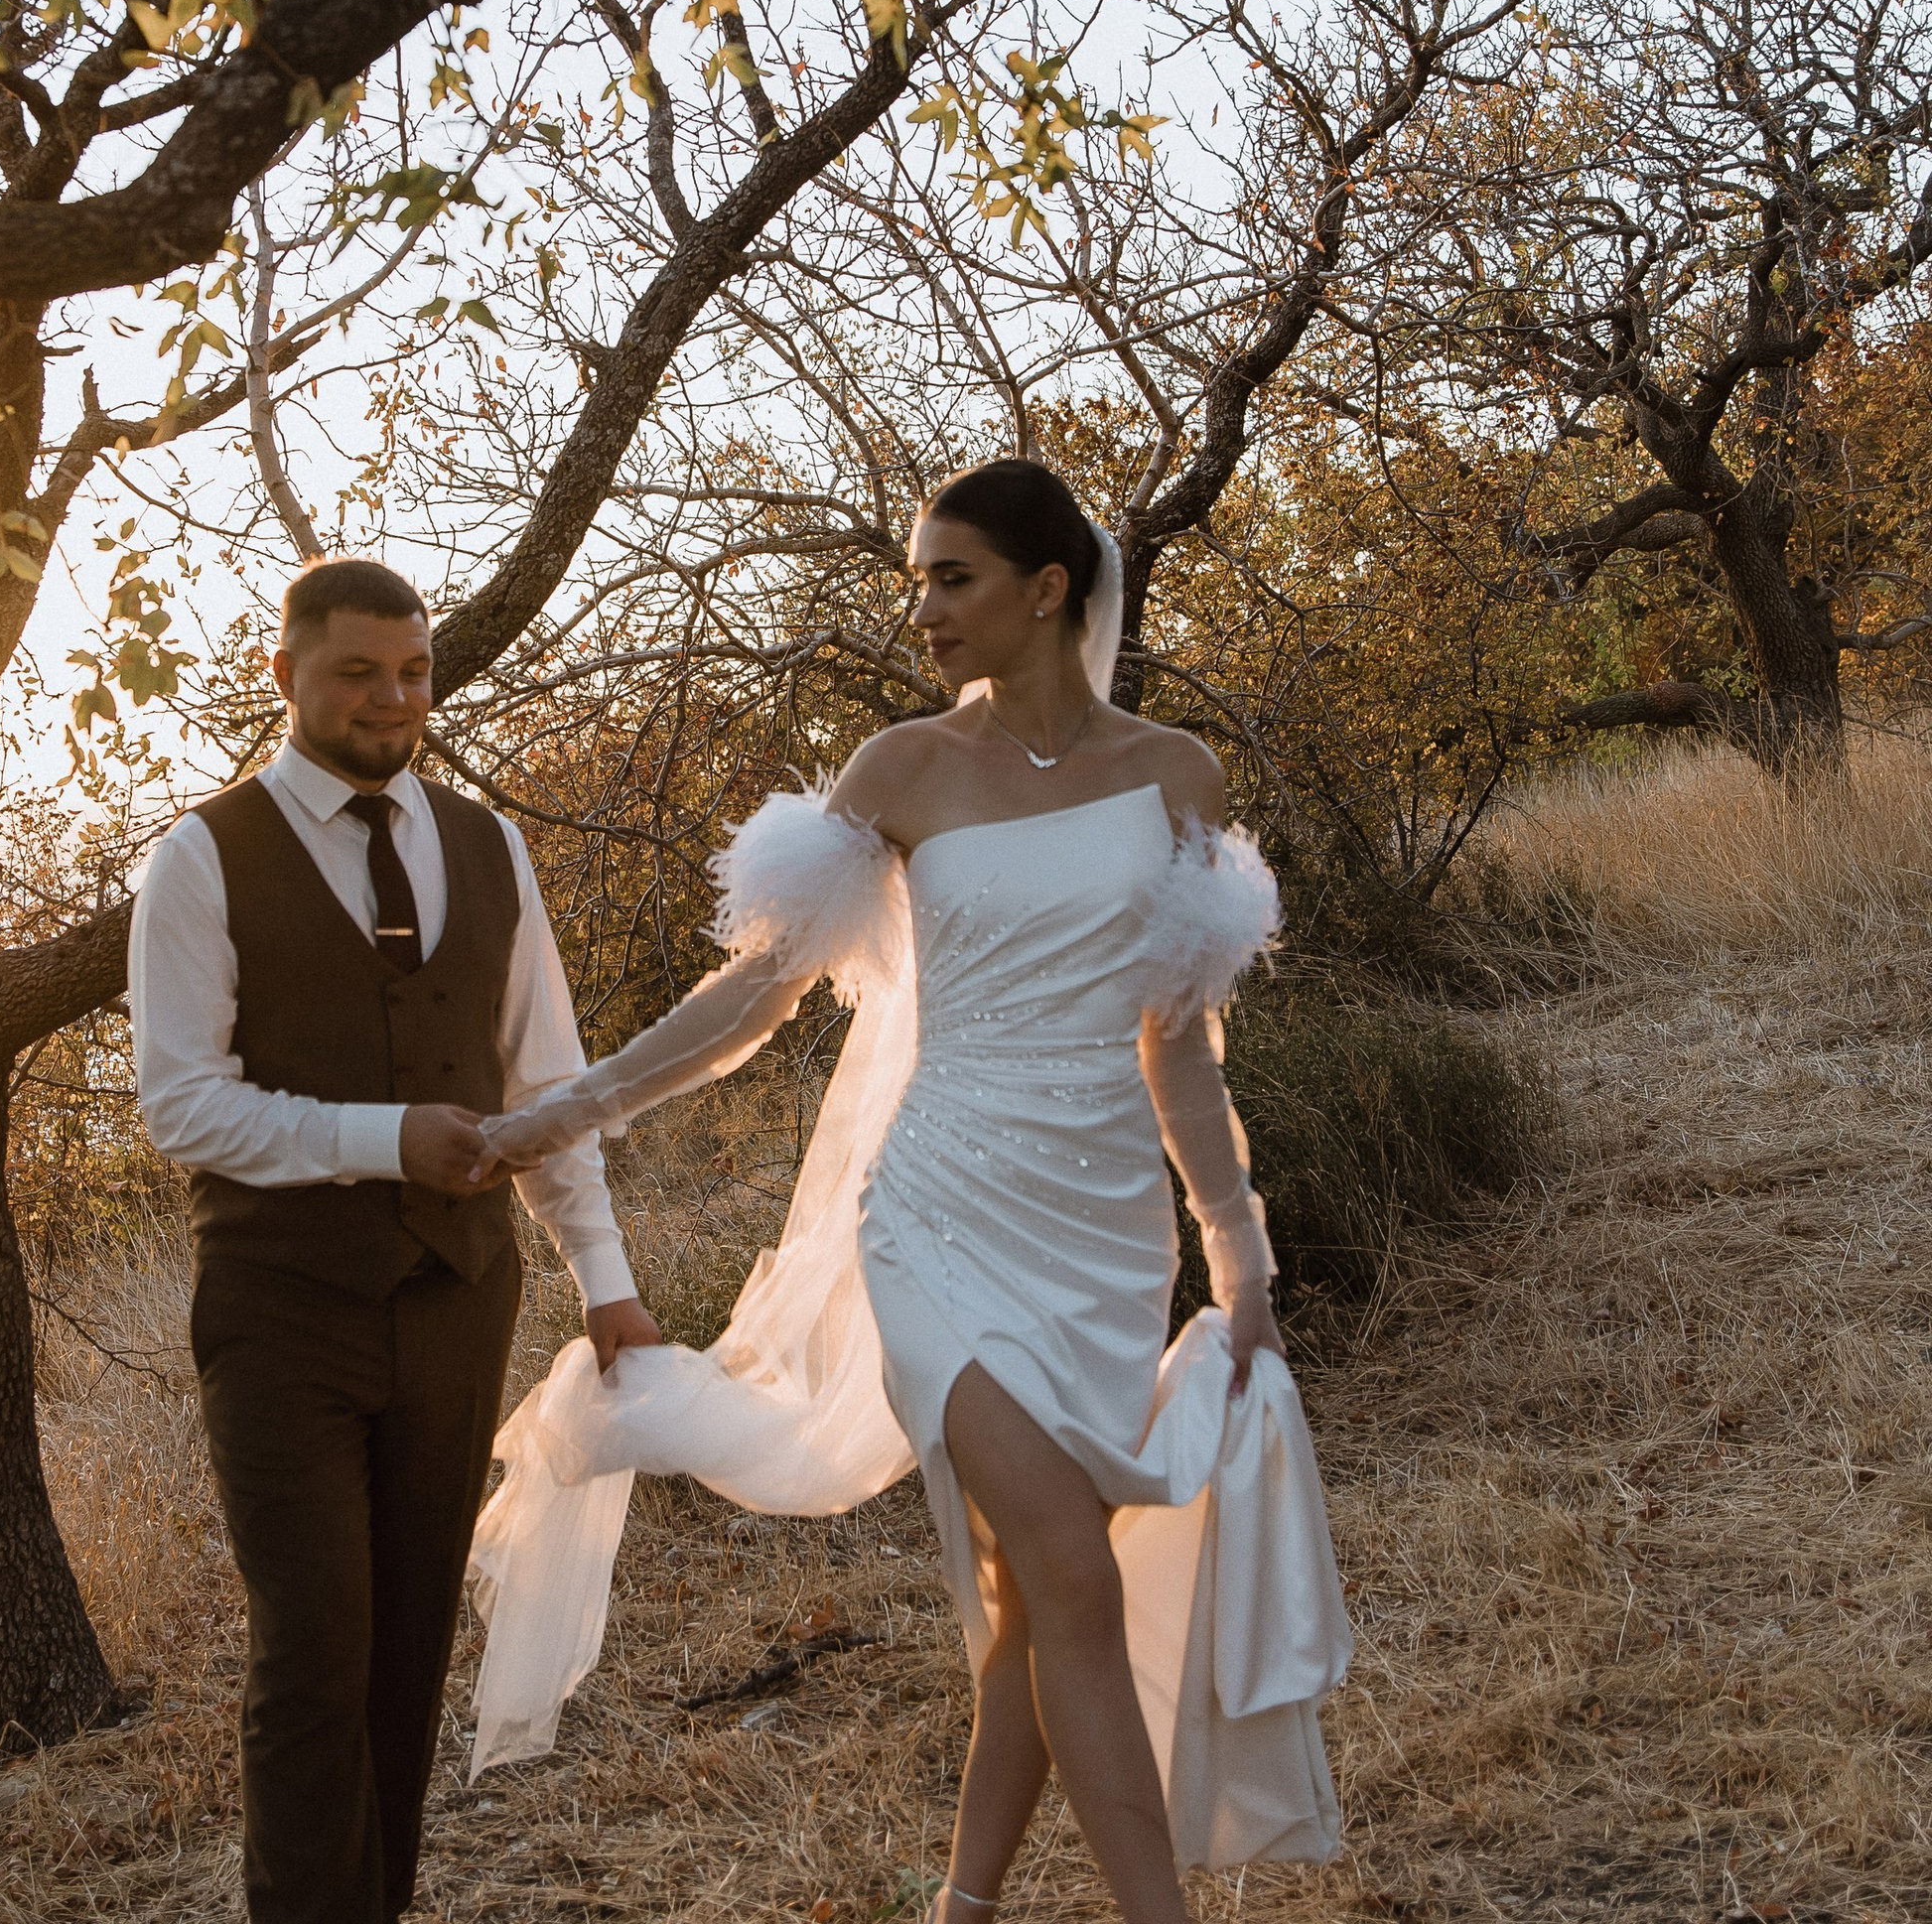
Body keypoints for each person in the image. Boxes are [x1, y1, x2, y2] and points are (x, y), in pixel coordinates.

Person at [470, 462, 1350, 1922]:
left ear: (1048, 589)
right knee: (1076, 1574)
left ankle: (962, 1908)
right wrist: (572, 1105)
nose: (922, 609)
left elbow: (1179, 1047)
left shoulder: (1176, 774)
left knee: (1032, 1609)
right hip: (941, 1217)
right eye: (917, 581)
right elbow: (759, 992)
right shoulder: (901, 770)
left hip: (1104, 1234)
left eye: (952, 578)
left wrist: (1237, 1257)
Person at [128, 556, 661, 1924]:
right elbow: (181, 1106)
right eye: (358, 672)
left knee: (409, 1644)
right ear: (285, 674)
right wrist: (382, 1138)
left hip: (458, 1298)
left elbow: (548, 1082)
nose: (392, 699)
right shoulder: (204, 856)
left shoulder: (488, 847)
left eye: (414, 672)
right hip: (281, 1312)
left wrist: (605, 1281)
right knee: (315, 1649)